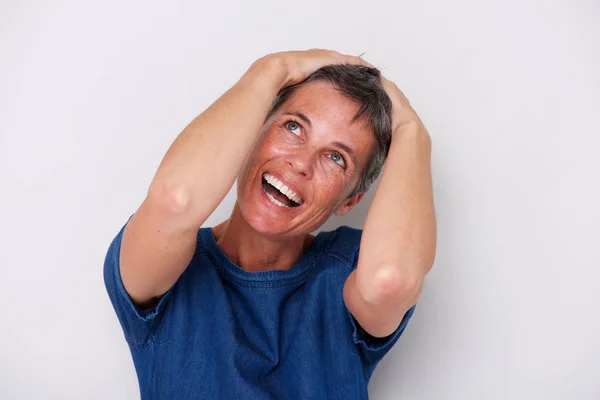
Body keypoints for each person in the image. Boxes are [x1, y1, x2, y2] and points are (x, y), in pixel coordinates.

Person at [103, 49, 437, 399]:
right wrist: (270, 70)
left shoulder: (350, 266)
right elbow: (176, 200)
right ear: (251, 132)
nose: (301, 163)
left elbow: (389, 283)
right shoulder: (165, 260)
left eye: (336, 158)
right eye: (293, 127)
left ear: (351, 201)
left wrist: (411, 130)